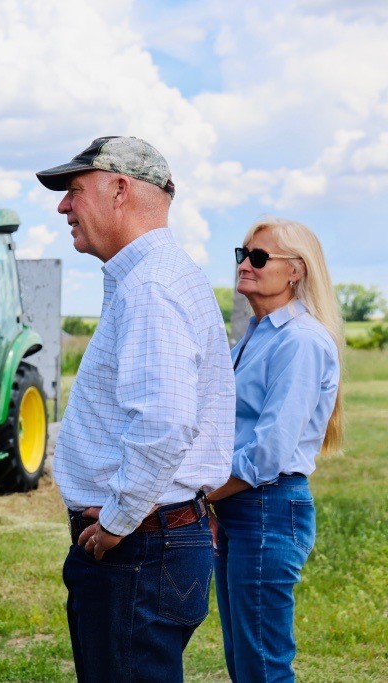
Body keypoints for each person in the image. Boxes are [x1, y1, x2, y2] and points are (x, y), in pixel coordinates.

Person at [35, 136, 235, 682]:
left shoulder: (149, 286)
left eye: (74, 191)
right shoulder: (156, 276)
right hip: (154, 541)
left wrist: (118, 523)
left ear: (119, 189)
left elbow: (164, 424)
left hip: (140, 547)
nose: (62, 207)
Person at [208, 218, 342, 682]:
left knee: (262, 664)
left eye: (259, 257)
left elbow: (269, 452)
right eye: (241, 254)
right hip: (242, 506)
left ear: (295, 272)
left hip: (265, 507)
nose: (245, 264)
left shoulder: (300, 341)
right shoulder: (258, 334)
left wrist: (202, 497)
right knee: (245, 659)